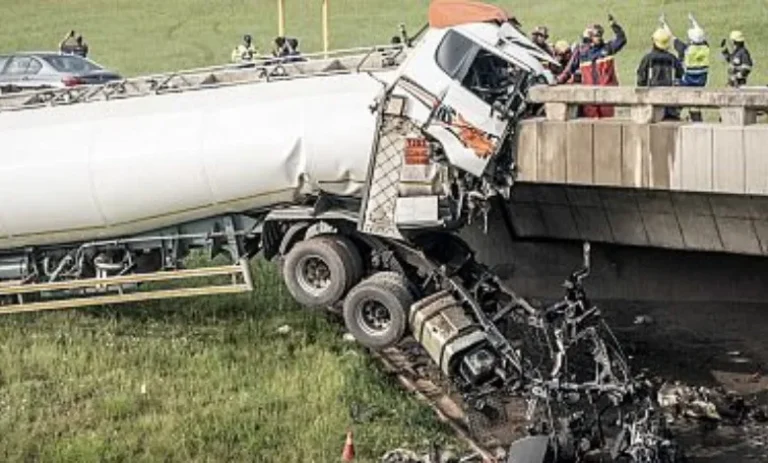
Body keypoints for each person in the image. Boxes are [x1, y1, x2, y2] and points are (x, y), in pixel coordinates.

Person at [565, 15, 627, 118]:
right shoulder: (581, 52)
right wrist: (558, 80)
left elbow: (622, 39)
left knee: (607, 124)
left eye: (600, 35)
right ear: (590, 38)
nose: (599, 38)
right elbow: (569, 69)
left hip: (606, 95)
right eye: (596, 36)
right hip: (589, 96)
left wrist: (614, 26)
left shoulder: (608, 48)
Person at [660, 13, 710, 120]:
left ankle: (674, 115)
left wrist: (664, 24)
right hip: (701, 82)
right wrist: (694, 21)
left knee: (672, 88)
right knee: (695, 107)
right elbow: (701, 36)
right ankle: (696, 120)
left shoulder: (685, 50)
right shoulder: (706, 48)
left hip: (687, 82)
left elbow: (671, 37)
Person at [637, 29, 683, 119]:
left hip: (651, 101)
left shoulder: (647, 58)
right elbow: (680, 75)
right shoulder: (672, 59)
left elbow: (641, 79)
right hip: (669, 103)